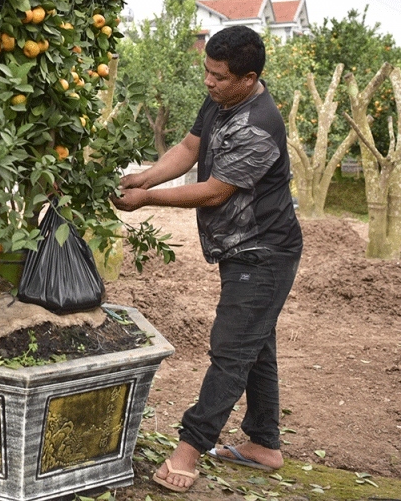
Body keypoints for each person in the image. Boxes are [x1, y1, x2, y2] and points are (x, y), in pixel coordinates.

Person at [111, 26, 302, 493]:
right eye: (207, 72)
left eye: (218, 76)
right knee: (254, 345)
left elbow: (216, 192)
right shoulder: (220, 100)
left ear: (248, 77)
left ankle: (189, 449)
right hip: (241, 248)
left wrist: (148, 198)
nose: (209, 82)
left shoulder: (260, 125)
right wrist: (145, 176)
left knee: (231, 351)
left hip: (264, 251)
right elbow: (190, 148)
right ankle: (264, 444)